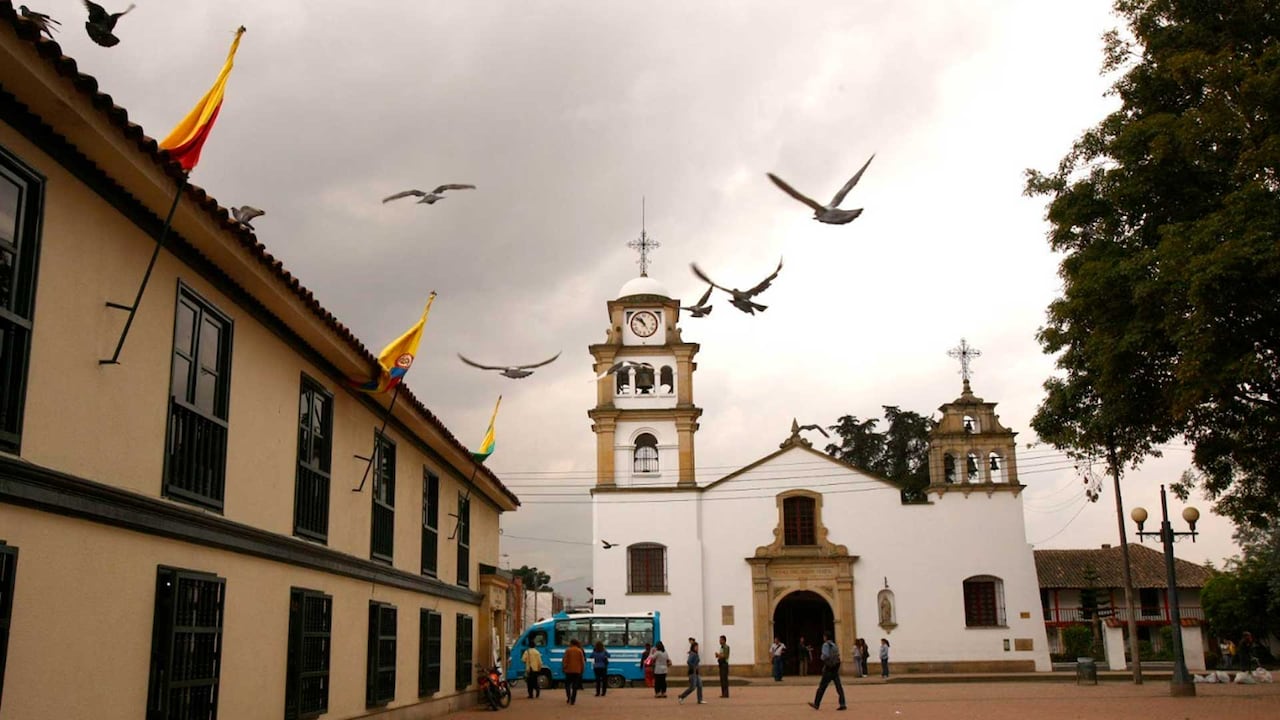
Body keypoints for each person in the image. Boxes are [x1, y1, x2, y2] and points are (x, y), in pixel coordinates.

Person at [807, 630, 847, 711]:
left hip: (828, 669)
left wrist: (821, 657)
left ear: (825, 637)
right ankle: (842, 703)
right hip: (835, 668)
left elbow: (825, 655)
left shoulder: (825, 645)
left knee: (822, 687)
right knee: (839, 687)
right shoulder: (834, 645)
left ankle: (816, 703)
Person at [678, 639, 706, 704]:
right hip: (692, 673)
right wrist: (694, 667)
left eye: (697, 647)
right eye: (696, 647)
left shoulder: (695, 654)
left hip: (696, 673)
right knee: (692, 687)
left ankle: (700, 699)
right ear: (693, 647)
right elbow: (688, 661)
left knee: (700, 685)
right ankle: (681, 696)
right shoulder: (692, 654)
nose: (697, 648)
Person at [562, 638, 586, 705]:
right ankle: (573, 700)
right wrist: (582, 670)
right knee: (575, 686)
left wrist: (564, 667)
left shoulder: (568, 650)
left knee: (567, 685)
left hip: (569, 670)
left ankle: (569, 697)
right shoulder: (579, 651)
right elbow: (582, 662)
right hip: (577, 671)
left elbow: (565, 660)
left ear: (571, 643)